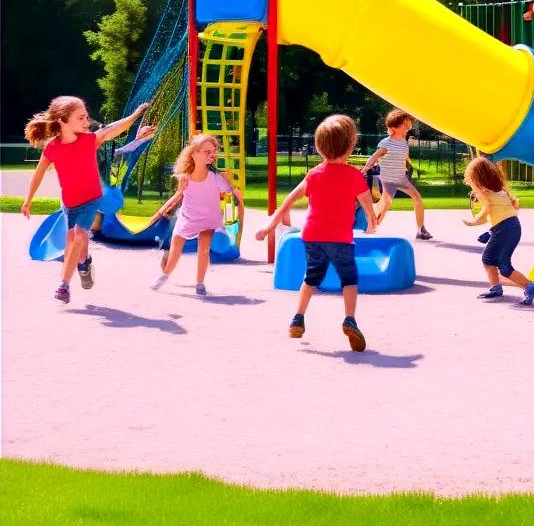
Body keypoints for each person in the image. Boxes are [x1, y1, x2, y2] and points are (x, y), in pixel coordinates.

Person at [256, 114, 376, 350]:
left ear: (319, 147)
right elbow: (368, 207)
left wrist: (268, 228)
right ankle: (350, 319)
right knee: (349, 280)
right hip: (340, 239)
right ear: (352, 143)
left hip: (312, 237)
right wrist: (372, 223)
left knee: (310, 279)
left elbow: (287, 202)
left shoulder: (314, 175)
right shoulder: (354, 176)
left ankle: (298, 317)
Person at [21, 95, 154, 304]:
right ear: (63, 120)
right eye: (81, 118)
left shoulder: (90, 140)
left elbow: (113, 129)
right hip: (69, 203)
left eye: (86, 117)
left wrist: (135, 115)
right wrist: (28, 200)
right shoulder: (52, 148)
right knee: (72, 243)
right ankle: (84, 263)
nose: (87, 122)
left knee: (79, 234)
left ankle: (63, 286)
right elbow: (38, 174)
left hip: (92, 198)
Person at [149, 135, 244, 296]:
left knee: (204, 248)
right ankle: (165, 275)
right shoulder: (185, 177)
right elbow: (179, 195)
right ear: (194, 154)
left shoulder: (216, 178)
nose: (212, 154)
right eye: (207, 151)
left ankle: (200, 283)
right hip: (188, 217)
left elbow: (233, 193)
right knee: (176, 244)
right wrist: (160, 213)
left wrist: (234, 190)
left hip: (209, 218)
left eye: (214, 151)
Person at [462, 156, 534, 305]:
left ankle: (530, 286)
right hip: (512, 227)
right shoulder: (500, 191)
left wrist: (471, 222)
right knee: (491, 260)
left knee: (500, 265)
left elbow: (486, 212)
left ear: (478, 179)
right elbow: (506, 211)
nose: (470, 184)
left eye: (470, 180)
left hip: (504, 229)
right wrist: (491, 231)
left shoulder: (483, 193)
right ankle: (495, 287)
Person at [361, 109, 432, 240]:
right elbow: (374, 157)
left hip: (400, 177)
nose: (409, 123)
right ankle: (371, 226)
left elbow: (403, 158)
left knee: (417, 197)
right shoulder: (386, 143)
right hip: (388, 178)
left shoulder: (404, 143)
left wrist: (406, 166)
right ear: (395, 127)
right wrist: (364, 170)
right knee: (386, 202)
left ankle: (420, 230)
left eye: (409, 122)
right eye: (406, 122)